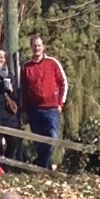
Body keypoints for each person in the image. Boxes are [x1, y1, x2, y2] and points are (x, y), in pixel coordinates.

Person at [19, 32, 67, 168]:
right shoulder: (26, 67)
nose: (37, 48)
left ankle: (41, 164)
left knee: (53, 136)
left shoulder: (52, 63)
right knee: (39, 140)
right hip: (33, 109)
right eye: (34, 46)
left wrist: (60, 103)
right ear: (31, 47)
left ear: (43, 47)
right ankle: (44, 168)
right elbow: (23, 90)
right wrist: (24, 110)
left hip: (51, 108)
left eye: (39, 46)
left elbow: (63, 83)